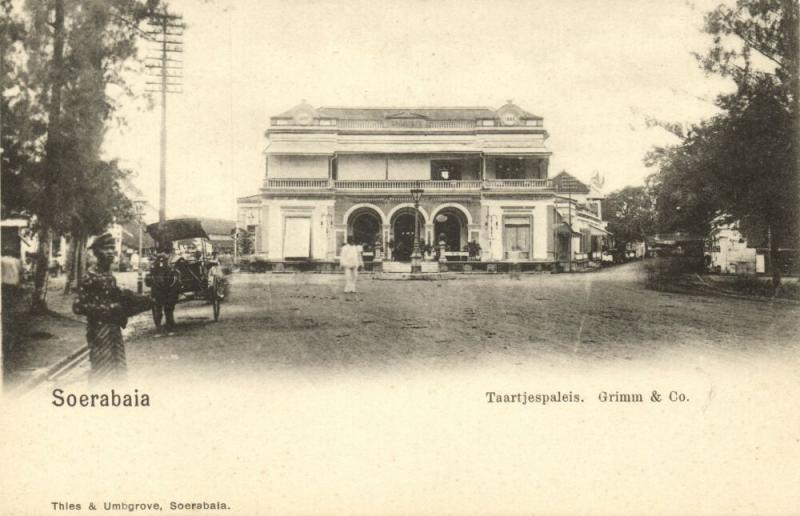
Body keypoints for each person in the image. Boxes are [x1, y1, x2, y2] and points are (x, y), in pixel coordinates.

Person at [73, 233, 152, 384]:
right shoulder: (90, 276)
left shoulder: (109, 276)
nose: (110, 252)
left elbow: (118, 297)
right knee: (102, 373)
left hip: (114, 330)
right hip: (99, 331)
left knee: (118, 371)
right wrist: (110, 308)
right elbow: (78, 306)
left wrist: (142, 301)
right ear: (97, 252)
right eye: (105, 249)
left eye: (112, 249)